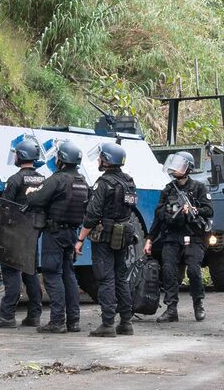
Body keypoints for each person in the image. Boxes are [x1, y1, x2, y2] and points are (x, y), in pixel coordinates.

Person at [24, 141, 88, 333]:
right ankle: (73, 321)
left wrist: (30, 193)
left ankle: (57, 321)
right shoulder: (82, 181)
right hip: (72, 234)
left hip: (55, 233)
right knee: (69, 275)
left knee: (52, 275)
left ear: (61, 159)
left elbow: (36, 199)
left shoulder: (57, 179)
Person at [75, 142, 137, 337]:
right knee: (121, 277)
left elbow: (92, 214)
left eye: (102, 157)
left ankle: (108, 324)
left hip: (105, 236)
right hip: (124, 235)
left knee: (105, 278)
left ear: (108, 160)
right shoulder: (129, 182)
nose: (99, 160)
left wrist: (80, 239)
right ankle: (126, 322)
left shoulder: (104, 184)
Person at [144, 151, 213, 323]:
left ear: (188, 168)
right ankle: (171, 309)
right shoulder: (168, 190)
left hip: (193, 235)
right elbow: (159, 216)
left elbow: (209, 210)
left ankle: (198, 305)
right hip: (172, 236)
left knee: (194, 271)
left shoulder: (199, 187)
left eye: (180, 165)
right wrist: (150, 238)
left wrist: (195, 210)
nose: (176, 168)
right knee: (168, 271)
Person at [0, 138, 43, 328]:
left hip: (14, 232)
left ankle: (7, 316)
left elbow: (4, 208)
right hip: (33, 233)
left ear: (21, 156)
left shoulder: (15, 180)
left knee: (11, 273)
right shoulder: (43, 179)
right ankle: (34, 315)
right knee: (30, 272)